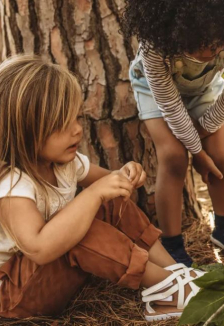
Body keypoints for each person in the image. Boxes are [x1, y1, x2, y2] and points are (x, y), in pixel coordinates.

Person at [0, 55, 204, 321]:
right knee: (81, 228)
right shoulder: (13, 187)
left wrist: (125, 174)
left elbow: (110, 183)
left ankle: (175, 273)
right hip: (15, 297)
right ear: (24, 131)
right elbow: (40, 249)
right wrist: (95, 194)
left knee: (109, 201)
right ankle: (167, 289)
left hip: (46, 278)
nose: (77, 131)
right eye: (63, 125)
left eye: (77, 119)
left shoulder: (64, 164)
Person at [121, 0, 224, 266]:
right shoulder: (155, 40)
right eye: (197, 44)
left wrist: (202, 135)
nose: (207, 52)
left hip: (204, 89)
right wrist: (196, 152)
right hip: (155, 91)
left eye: (216, 45)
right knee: (173, 157)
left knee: (219, 156)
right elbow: (168, 103)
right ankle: (172, 244)